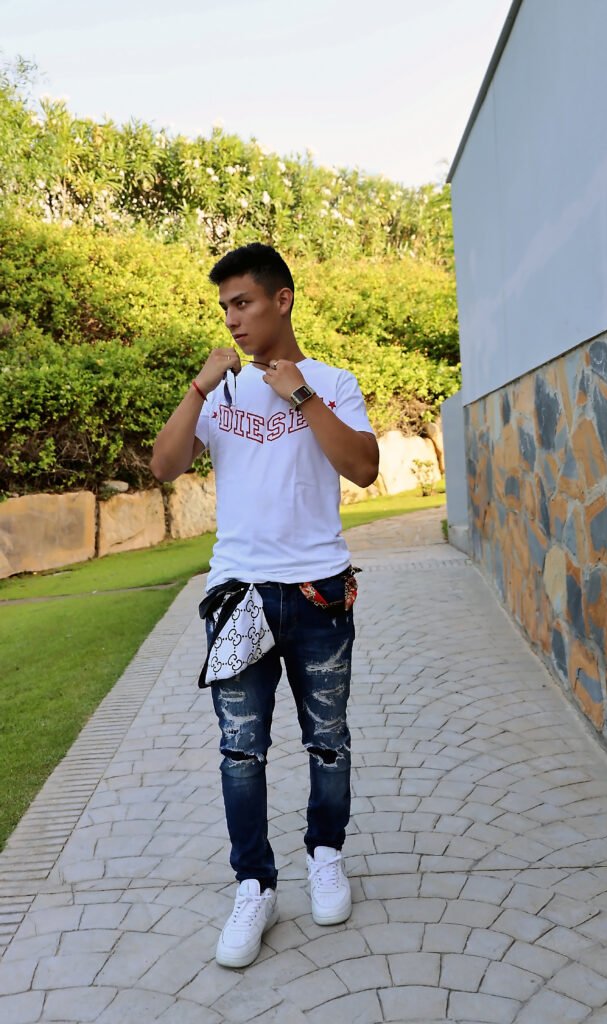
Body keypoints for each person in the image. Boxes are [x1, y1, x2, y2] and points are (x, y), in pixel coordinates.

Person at [150, 243, 379, 968]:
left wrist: (300, 395)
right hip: (238, 596)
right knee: (240, 752)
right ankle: (254, 884)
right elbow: (163, 465)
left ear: (282, 300)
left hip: (319, 593)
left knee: (328, 739)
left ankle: (325, 855)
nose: (232, 318)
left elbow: (363, 468)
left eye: (243, 302)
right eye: (225, 307)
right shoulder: (219, 393)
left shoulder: (333, 382)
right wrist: (198, 387)